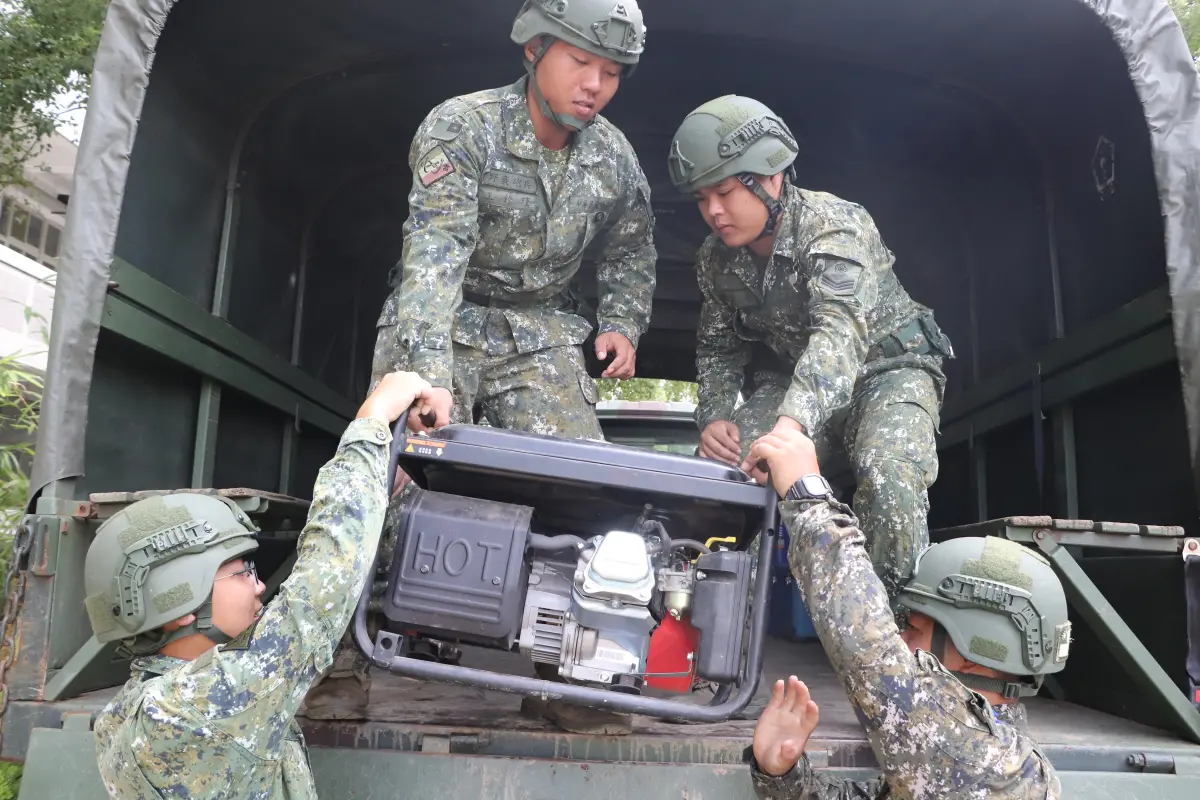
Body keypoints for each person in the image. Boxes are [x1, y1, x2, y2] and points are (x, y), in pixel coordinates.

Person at [308, 0, 657, 731]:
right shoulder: (460, 127)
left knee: (591, 489)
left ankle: (578, 681)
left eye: (613, 72)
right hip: (446, 320)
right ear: (533, 50)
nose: (596, 84)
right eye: (580, 62)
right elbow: (433, 263)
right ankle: (336, 668)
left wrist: (623, 321)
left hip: (539, 337)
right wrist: (424, 378)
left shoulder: (613, 157)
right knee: (386, 476)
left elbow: (631, 242)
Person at [85, 371, 435, 799]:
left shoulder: (134, 711)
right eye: (240, 572)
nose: (258, 587)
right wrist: (374, 416)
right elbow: (322, 591)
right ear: (178, 605)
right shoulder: (186, 712)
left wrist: (376, 477)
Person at [667, 95, 954, 599]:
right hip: (792, 381)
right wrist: (714, 417)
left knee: (889, 480)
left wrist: (790, 427)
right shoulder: (715, 259)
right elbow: (717, 347)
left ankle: (891, 644)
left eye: (725, 192)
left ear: (771, 178)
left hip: (888, 370)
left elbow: (838, 335)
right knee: (722, 474)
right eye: (701, 198)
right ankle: (719, 622)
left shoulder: (835, 225)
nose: (713, 211)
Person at [745, 427, 1069, 799]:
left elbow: (865, 645)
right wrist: (782, 776)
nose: (901, 639)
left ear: (973, 656)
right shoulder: (978, 754)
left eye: (914, 628)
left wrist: (808, 495)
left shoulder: (993, 765)